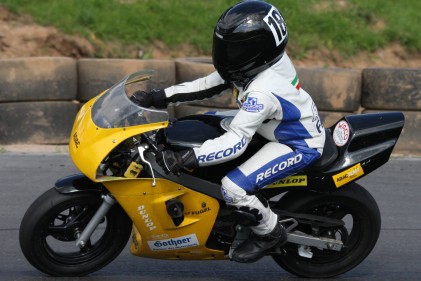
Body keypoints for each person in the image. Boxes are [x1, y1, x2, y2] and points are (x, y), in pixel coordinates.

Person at [131, 0, 325, 263]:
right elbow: (207, 84)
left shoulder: (263, 90)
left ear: (255, 51)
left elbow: (235, 142)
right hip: (271, 127)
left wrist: (185, 159)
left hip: (297, 143)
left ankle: (270, 233)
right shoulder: (257, 64)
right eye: (223, 46)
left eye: (234, 49)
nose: (225, 54)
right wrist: (158, 97)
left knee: (233, 188)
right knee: (199, 124)